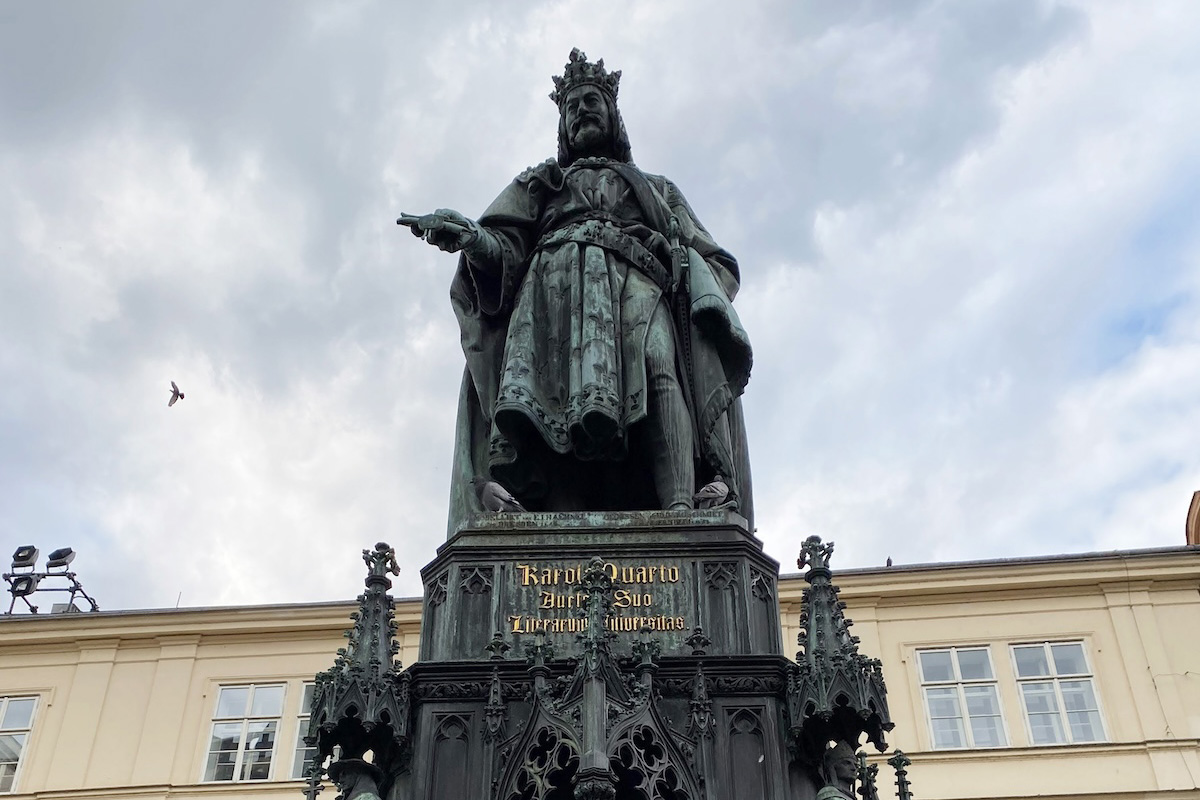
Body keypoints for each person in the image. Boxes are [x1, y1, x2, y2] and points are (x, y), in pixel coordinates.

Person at [406, 49, 753, 534]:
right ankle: (552, 516)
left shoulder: (656, 191)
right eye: (571, 108)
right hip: (552, 300)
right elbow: (503, 249)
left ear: (614, 115)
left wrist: (680, 263)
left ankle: (680, 515)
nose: (581, 111)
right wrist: (469, 237)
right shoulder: (541, 184)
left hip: (637, 284)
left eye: (592, 101)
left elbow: (715, 265)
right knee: (550, 404)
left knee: (659, 361)